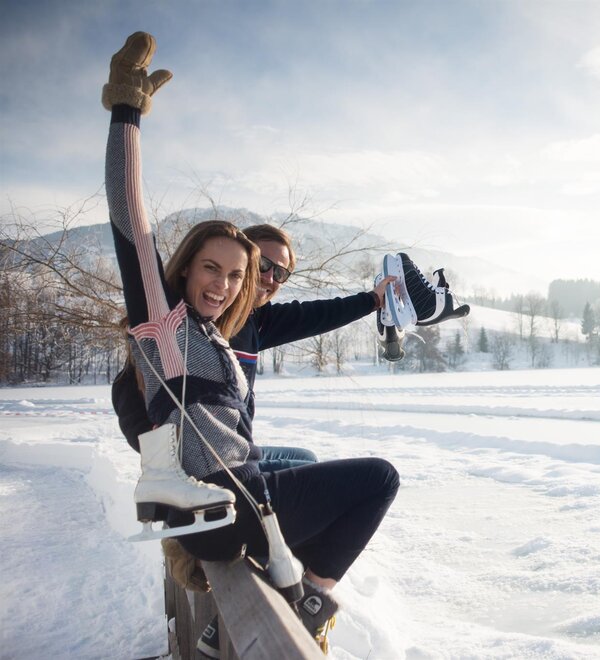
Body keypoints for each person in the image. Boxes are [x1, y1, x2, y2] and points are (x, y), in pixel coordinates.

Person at [103, 31, 399, 650]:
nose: (224, 284)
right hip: (226, 506)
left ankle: (244, 618)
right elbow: (129, 217)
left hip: (236, 496)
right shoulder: (167, 325)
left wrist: (372, 302)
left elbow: (307, 317)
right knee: (379, 478)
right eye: (211, 268)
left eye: (237, 275)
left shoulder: (219, 333)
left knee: (318, 473)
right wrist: (127, 110)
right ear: (185, 268)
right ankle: (311, 598)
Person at [112, 221, 395, 471]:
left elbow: (317, 315)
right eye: (262, 265)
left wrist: (373, 300)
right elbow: (129, 382)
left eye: (280, 274)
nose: (269, 278)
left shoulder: (254, 321)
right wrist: (162, 453)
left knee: (307, 458)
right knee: (368, 477)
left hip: (236, 449)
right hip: (208, 461)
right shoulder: (185, 321)